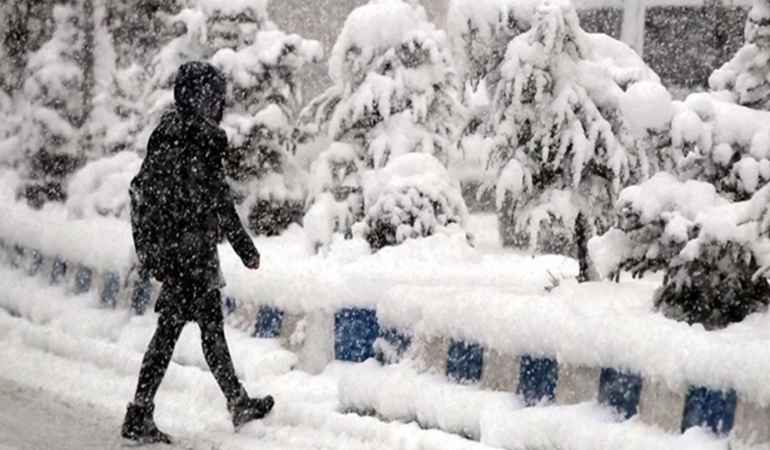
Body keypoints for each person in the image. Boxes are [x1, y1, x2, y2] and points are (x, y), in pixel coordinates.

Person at [122, 61, 274, 444]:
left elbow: (152, 193)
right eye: (211, 97)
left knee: (197, 329)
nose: (216, 104)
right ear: (199, 98)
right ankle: (141, 413)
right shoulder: (200, 140)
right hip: (191, 255)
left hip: (175, 253)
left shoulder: (167, 133)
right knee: (187, 332)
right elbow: (219, 201)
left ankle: (232, 401)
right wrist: (246, 249)